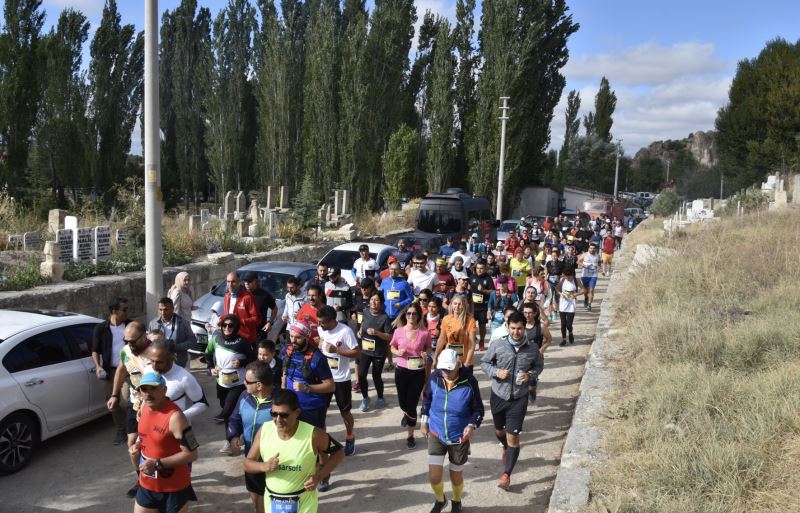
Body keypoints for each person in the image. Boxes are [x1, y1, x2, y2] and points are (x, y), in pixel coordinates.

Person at [244, 389, 345, 513]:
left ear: (297, 413)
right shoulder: (264, 430)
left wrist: (319, 476)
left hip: (304, 505)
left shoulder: (313, 434)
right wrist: (264, 466)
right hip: (271, 504)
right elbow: (247, 464)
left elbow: (339, 452)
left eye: (284, 415)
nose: (278, 420)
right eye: (274, 414)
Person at [480, 311, 544, 491]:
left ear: (525, 328)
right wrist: (496, 373)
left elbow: (539, 365)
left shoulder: (532, 348)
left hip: (519, 398)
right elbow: (484, 363)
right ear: (507, 327)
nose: (516, 332)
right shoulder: (498, 345)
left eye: (520, 329)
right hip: (499, 395)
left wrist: (530, 375)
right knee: (499, 430)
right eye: (513, 328)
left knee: (513, 437)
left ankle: (506, 475)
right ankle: (504, 447)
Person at [420, 349, 484, 513]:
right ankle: (440, 500)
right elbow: (427, 400)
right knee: (434, 477)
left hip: (458, 437)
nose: (446, 372)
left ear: (458, 365)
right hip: (436, 433)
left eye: (449, 369)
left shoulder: (469, 381)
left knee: (456, 477)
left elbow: (478, 410)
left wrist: (471, 425)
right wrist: (424, 421)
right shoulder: (435, 377)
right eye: (443, 369)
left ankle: (456, 501)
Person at [131, 371, 199, 513]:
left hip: (174, 487)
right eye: (144, 389)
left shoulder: (176, 417)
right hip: (147, 484)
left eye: (154, 388)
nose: (148, 394)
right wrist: (137, 446)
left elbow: (192, 454)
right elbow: (148, 436)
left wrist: (157, 464)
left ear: (164, 389)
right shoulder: (144, 408)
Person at [107, 321, 152, 498]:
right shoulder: (126, 351)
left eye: (133, 341)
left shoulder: (155, 353)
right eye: (127, 341)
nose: (129, 345)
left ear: (144, 336)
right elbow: (120, 370)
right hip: (136, 404)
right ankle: (141, 480)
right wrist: (114, 395)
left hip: (154, 406)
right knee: (132, 444)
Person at [227, 361, 274, 513]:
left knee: (269, 500)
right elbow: (235, 418)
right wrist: (234, 436)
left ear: (259, 385)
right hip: (251, 460)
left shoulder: (280, 403)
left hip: (273, 463)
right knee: (256, 497)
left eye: (247, 381)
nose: (244, 383)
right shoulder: (244, 395)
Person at [205, 314, 256, 452]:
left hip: (237, 383)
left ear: (236, 327)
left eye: (230, 326)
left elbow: (253, 357)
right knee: (228, 412)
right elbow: (208, 354)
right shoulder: (216, 339)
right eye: (224, 325)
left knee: (226, 412)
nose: (227, 328)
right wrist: (210, 368)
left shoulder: (243, 342)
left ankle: (230, 441)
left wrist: (242, 362)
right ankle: (233, 437)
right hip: (221, 382)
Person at [317, 306, 360, 457]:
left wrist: (337, 351)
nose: (320, 325)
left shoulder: (345, 331)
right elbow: (321, 344)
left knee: (345, 411)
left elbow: (356, 352)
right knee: (320, 412)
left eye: (322, 322)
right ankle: (322, 443)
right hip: (324, 378)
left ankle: (349, 436)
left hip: (341, 379)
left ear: (331, 320)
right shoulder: (321, 329)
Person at [390, 302, 432, 449]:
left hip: (417, 372)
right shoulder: (399, 331)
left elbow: (428, 347)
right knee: (403, 402)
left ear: (419, 315)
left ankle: (410, 435)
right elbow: (392, 347)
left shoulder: (424, 333)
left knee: (412, 404)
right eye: (409, 313)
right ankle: (406, 413)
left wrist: (425, 353)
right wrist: (397, 352)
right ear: (405, 315)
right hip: (401, 370)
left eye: (414, 313)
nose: (411, 316)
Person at [93, 296, 130, 445]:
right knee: (112, 404)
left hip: (127, 371)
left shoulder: (130, 326)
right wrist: (98, 366)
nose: (127, 312)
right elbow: (95, 350)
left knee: (126, 402)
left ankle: (134, 428)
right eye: (124, 309)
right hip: (111, 371)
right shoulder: (101, 329)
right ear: (114, 311)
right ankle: (121, 430)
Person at [357, 291, 393, 411]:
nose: (373, 302)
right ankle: (365, 398)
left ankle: (381, 397)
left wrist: (377, 333)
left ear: (381, 303)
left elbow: (389, 337)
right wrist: (360, 331)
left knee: (376, 376)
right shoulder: (366, 312)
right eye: (372, 299)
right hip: (365, 350)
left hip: (379, 352)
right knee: (361, 375)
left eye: (376, 300)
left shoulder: (385, 318)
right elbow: (363, 323)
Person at [148, 297, 196, 368]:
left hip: (179, 362)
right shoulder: (153, 324)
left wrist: (175, 346)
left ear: (173, 309)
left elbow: (192, 341)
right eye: (160, 310)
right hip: (159, 363)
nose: (163, 313)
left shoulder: (183, 323)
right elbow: (148, 343)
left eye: (166, 310)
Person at [434, 294, 476, 369]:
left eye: (460, 304)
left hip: (464, 360)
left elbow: (471, 344)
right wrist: (435, 357)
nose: (457, 306)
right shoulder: (446, 319)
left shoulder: (470, 320)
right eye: (455, 303)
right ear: (451, 305)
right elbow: (441, 340)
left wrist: (467, 362)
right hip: (449, 359)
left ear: (464, 306)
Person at [222, 272, 261, 343]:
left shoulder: (248, 297)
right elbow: (227, 315)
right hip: (232, 337)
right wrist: (221, 319)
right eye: (228, 282)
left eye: (233, 282)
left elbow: (257, 319)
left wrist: (240, 321)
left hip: (246, 339)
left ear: (239, 282)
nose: (230, 285)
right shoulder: (227, 297)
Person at [243, 272, 278, 341]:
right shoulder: (242, 294)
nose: (247, 283)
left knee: (258, 351)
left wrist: (270, 323)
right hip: (244, 331)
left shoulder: (264, 295)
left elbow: (275, 308)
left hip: (259, 332)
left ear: (256, 281)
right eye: (245, 281)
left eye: (249, 281)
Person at [469, 260, 494, 351]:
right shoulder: (472, 277)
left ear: (485, 269)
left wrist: (483, 290)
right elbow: (469, 288)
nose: (479, 270)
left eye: (481, 268)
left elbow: (492, 291)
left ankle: (482, 341)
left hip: (483, 306)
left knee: (482, 325)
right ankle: (472, 340)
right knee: (471, 325)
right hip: (473, 306)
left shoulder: (488, 278)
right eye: (478, 268)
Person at [557, 269, 586, 346]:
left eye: (569, 277)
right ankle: (564, 339)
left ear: (573, 275)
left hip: (571, 304)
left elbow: (584, 290)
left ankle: (570, 332)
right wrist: (560, 294)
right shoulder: (563, 280)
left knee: (569, 324)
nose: (568, 279)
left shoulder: (577, 281)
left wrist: (576, 294)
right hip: (562, 304)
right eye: (567, 277)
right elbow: (557, 289)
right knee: (563, 324)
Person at [579, 242, 600, 310]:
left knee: (591, 290)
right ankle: (586, 298)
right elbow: (578, 261)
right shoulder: (585, 254)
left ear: (595, 249)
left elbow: (599, 263)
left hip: (593, 275)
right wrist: (585, 266)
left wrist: (599, 267)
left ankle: (589, 305)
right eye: (591, 248)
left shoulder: (597, 255)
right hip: (585, 275)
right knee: (586, 290)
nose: (592, 249)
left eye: (593, 248)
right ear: (589, 248)